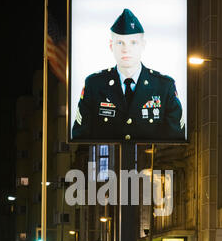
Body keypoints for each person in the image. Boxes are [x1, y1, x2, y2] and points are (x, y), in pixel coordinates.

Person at [72, 8, 185, 142]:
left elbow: (177, 138)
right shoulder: (94, 85)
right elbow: (81, 138)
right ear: (111, 46)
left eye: (133, 42)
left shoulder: (164, 86)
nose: (126, 49)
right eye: (120, 42)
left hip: (154, 163)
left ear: (143, 45)